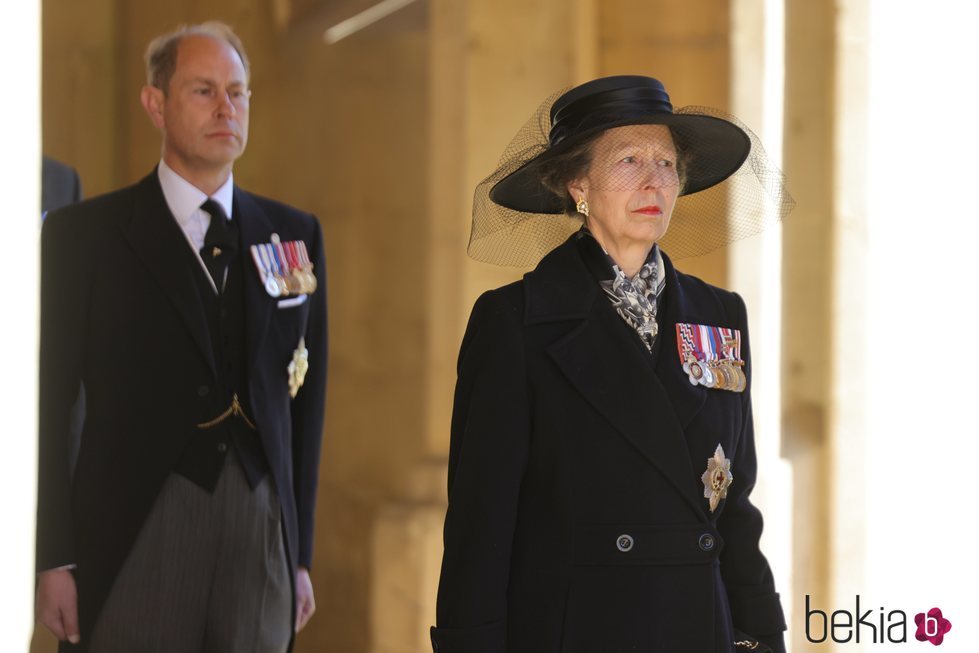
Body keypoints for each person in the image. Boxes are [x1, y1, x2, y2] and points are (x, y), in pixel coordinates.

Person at [431, 76, 792, 653]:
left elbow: (736, 512)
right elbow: (480, 527)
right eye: (629, 160)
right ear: (577, 183)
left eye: (668, 164)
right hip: (576, 630)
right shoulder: (512, 323)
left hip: (701, 628)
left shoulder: (721, 316)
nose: (655, 181)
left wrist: (765, 636)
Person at [35, 21, 328, 653]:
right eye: (203, 91)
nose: (227, 107)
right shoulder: (83, 236)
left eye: (238, 92)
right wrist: (52, 556)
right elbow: (50, 402)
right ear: (155, 104)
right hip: (133, 529)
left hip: (260, 531)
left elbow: (306, 403)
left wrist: (298, 551)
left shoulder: (293, 234)